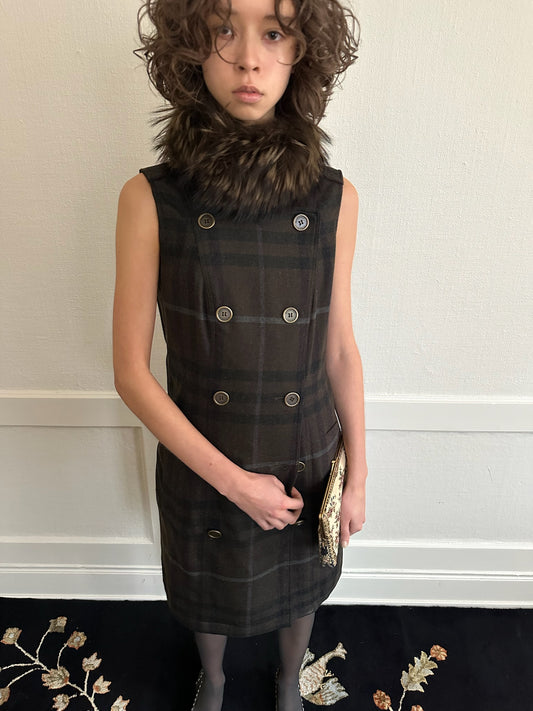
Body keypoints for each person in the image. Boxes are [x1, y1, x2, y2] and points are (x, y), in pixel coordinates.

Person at [112, 0, 367, 709]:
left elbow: (339, 349)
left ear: (302, 51)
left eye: (273, 33)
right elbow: (130, 372)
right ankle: (216, 678)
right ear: (190, 46)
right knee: (207, 589)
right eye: (224, 30)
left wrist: (360, 471)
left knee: (300, 586)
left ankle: (288, 679)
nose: (249, 58)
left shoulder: (335, 198)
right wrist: (234, 483)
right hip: (206, 457)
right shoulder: (149, 198)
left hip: (302, 451)